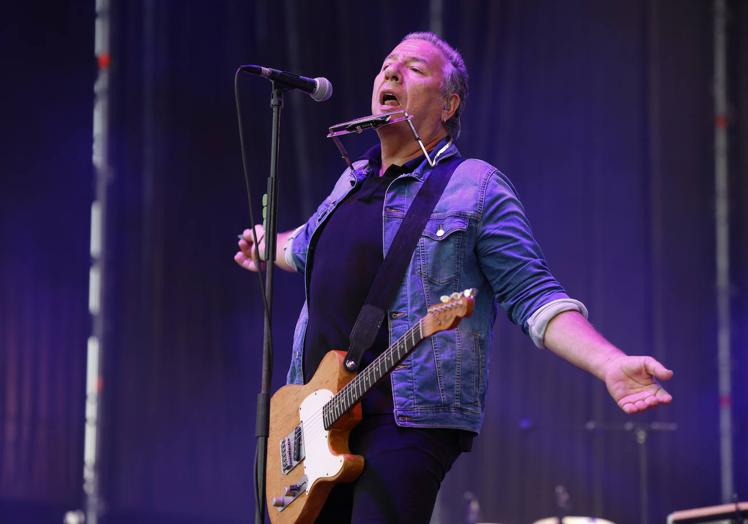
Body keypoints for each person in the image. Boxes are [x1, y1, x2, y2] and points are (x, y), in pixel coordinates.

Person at [235, 32, 673, 524]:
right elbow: (306, 243)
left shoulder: (476, 186)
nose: (392, 73)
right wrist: (267, 245)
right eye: (386, 65)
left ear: (449, 104)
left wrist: (609, 363)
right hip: (311, 423)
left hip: (403, 418)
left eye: (415, 69)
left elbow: (532, 293)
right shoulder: (349, 181)